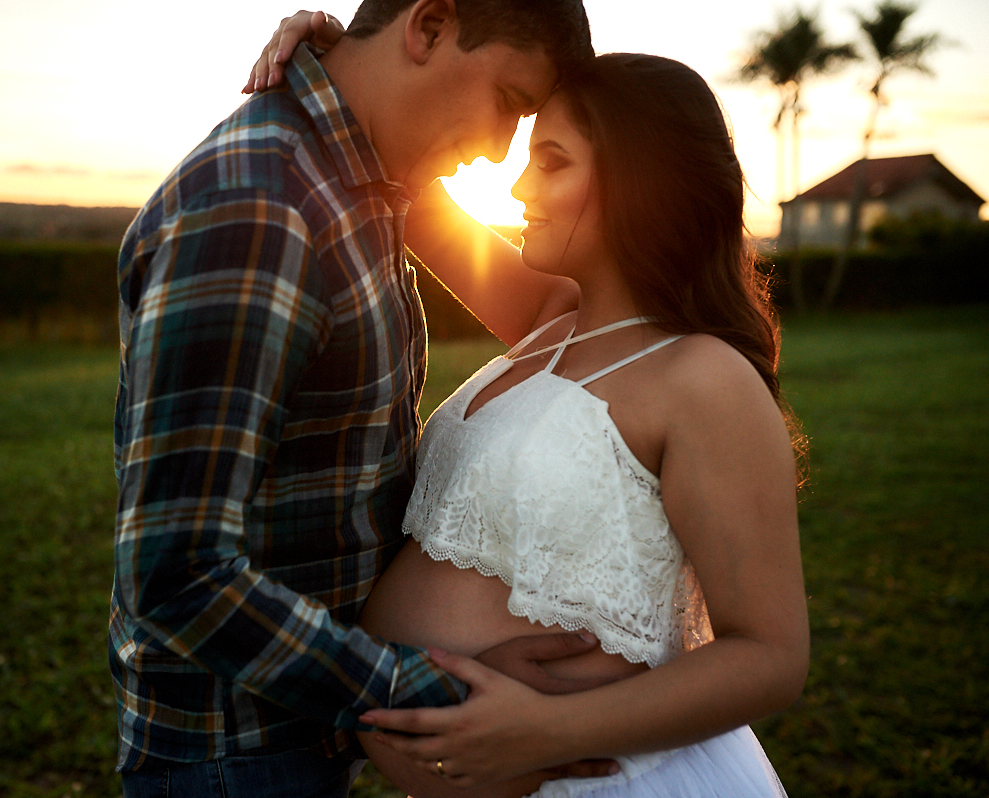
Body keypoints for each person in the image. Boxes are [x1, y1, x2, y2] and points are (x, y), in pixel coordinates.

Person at [249, 16, 810, 798]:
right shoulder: (551, 321)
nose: (517, 187)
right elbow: (399, 161)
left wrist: (543, 732)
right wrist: (338, 58)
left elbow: (771, 655)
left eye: (550, 161)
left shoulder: (702, 378)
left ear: (637, 179)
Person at [109, 2, 605, 797]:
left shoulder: (352, 185)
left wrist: (349, 76)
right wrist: (438, 694)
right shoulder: (259, 205)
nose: (495, 151)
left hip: (293, 735)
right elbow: (177, 576)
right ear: (431, 25)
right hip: (234, 756)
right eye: (509, 103)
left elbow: (555, 314)